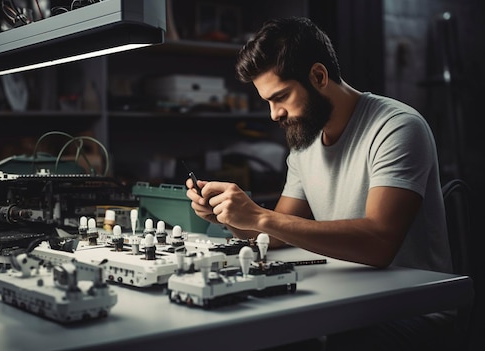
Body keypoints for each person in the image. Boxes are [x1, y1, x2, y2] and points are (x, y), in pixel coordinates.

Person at [185, 17, 457, 350]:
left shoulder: (397, 127)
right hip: (347, 298)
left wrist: (259, 216)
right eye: (268, 101)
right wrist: (231, 218)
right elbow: (278, 236)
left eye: (281, 96)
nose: (274, 114)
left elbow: (379, 244)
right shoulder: (305, 141)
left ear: (318, 76)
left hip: (413, 309)